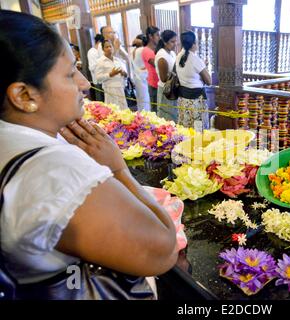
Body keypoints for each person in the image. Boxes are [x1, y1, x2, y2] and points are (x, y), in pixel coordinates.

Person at [0, 10, 177, 298]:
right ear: (24, 96)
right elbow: (163, 250)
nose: (84, 83)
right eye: (70, 73)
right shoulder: (53, 170)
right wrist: (116, 168)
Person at [176, 31, 212, 129]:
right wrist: (204, 66)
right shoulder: (195, 59)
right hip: (196, 100)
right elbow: (209, 81)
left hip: (183, 98)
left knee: (185, 127)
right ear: (193, 44)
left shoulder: (178, 56)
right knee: (197, 128)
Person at [96, 40, 128, 110]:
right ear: (103, 49)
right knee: (113, 110)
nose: (109, 48)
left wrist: (124, 74)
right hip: (110, 89)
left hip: (120, 88)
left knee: (123, 109)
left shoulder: (117, 60)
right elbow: (98, 78)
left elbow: (126, 74)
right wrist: (110, 74)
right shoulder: (100, 61)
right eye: (106, 47)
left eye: (110, 46)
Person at [155, 30, 178, 122]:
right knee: (166, 116)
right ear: (165, 42)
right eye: (172, 42)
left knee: (173, 114)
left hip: (172, 88)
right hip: (165, 90)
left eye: (176, 41)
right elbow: (164, 78)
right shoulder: (162, 56)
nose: (175, 44)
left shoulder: (172, 53)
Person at [142, 26, 160, 112]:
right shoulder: (146, 50)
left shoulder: (156, 49)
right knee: (155, 109)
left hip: (160, 82)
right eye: (157, 35)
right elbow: (157, 64)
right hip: (154, 83)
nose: (159, 37)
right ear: (150, 36)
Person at [131, 34, 150, 111]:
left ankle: (141, 116)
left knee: (140, 99)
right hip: (144, 76)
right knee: (145, 99)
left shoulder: (134, 50)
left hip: (137, 77)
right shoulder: (142, 50)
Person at [87, 34, 104, 102]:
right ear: (99, 42)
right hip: (97, 79)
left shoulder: (100, 51)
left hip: (104, 78)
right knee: (100, 99)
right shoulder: (92, 52)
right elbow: (92, 67)